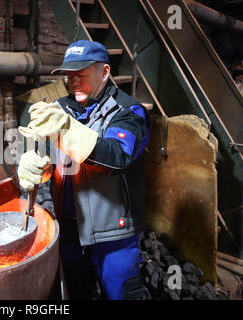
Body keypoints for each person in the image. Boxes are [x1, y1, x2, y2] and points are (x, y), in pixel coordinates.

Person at [17, 40, 150, 300]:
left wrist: (66, 130)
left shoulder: (128, 112)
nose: (74, 82)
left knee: (120, 294)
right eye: (69, 76)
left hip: (114, 235)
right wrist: (35, 166)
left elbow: (117, 156)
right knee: (76, 293)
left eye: (81, 74)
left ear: (104, 72)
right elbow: (49, 158)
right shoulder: (60, 109)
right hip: (69, 230)